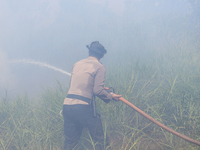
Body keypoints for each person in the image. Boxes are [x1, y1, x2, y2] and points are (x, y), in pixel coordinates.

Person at [63, 41, 121, 150]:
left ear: (89, 52)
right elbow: (97, 91)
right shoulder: (100, 67)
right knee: (99, 140)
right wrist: (111, 96)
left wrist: (106, 91)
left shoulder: (77, 64)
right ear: (102, 55)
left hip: (68, 106)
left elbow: (75, 85)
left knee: (70, 142)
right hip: (83, 107)